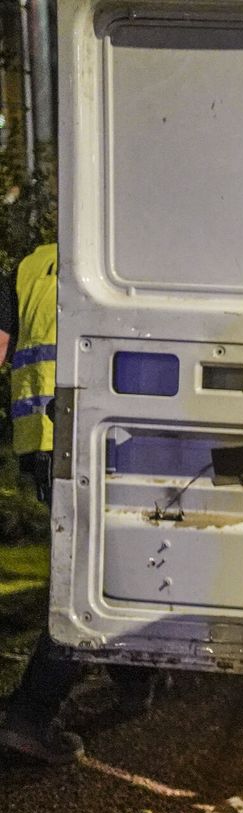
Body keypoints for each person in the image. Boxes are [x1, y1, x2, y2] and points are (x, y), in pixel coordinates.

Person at [0, 243, 158, 767]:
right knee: (91, 577)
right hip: (102, 438)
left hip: (40, 442)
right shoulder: (126, 249)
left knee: (102, 565)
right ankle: (30, 714)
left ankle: (139, 684)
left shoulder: (27, 266)